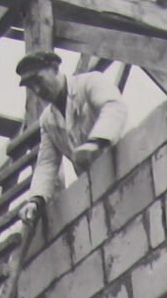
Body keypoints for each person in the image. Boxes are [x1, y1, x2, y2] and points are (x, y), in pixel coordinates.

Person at [16, 51, 128, 224]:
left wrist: (96, 142)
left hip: (124, 168)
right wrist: (35, 200)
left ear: (54, 68)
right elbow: (47, 163)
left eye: (39, 80)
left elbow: (114, 106)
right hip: (96, 188)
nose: (37, 90)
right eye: (31, 86)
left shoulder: (89, 82)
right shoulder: (47, 119)